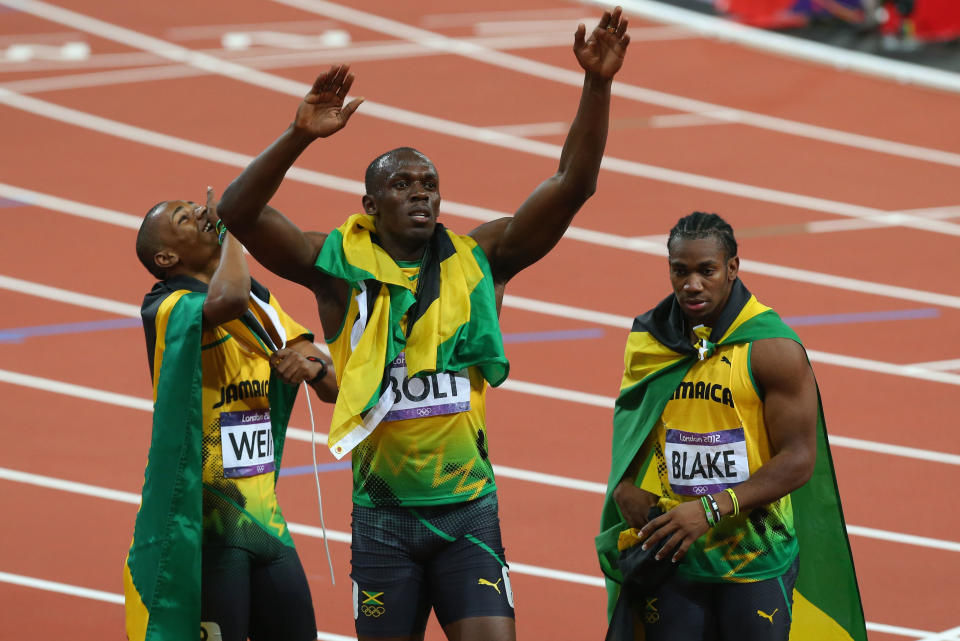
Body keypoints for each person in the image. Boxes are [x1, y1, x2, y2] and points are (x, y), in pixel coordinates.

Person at [214, 8, 630, 640]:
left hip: (469, 513)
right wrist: (299, 134)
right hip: (383, 519)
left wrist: (597, 84)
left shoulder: (480, 260)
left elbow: (575, 184)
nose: (420, 193)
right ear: (370, 205)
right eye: (402, 184)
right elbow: (238, 211)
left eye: (430, 184)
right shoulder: (337, 273)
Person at [597, 212, 867, 641]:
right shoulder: (651, 341)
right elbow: (637, 425)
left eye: (707, 270)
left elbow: (798, 460)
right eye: (680, 271)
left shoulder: (771, 348)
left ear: (732, 269)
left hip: (754, 557)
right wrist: (626, 481)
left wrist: (709, 509)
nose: (692, 284)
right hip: (675, 551)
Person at [123, 188, 337, 641]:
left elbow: (333, 385)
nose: (202, 212)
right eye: (185, 217)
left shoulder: (259, 301)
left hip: (265, 522)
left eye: (196, 206)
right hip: (204, 533)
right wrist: (234, 227)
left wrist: (313, 365)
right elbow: (229, 299)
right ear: (165, 257)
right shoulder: (166, 306)